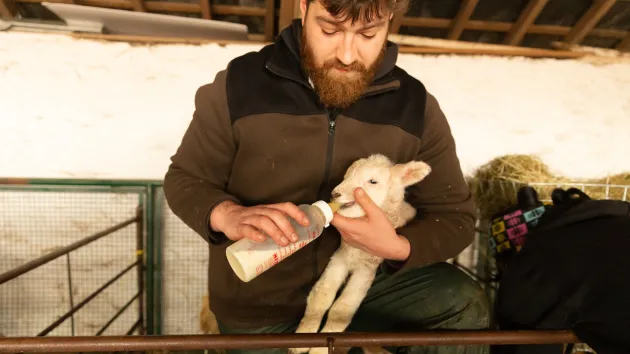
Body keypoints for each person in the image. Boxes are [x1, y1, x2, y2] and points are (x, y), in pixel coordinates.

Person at [163, 0, 491, 352]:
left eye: (368, 33)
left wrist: (397, 247)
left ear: (390, 20)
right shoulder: (238, 85)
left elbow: (455, 217)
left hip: (369, 283)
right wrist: (227, 214)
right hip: (259, 301)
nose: (347, 55)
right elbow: (185, 178)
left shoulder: (416, 107)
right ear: (303, 7)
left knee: (464, 305)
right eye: (330, 30)